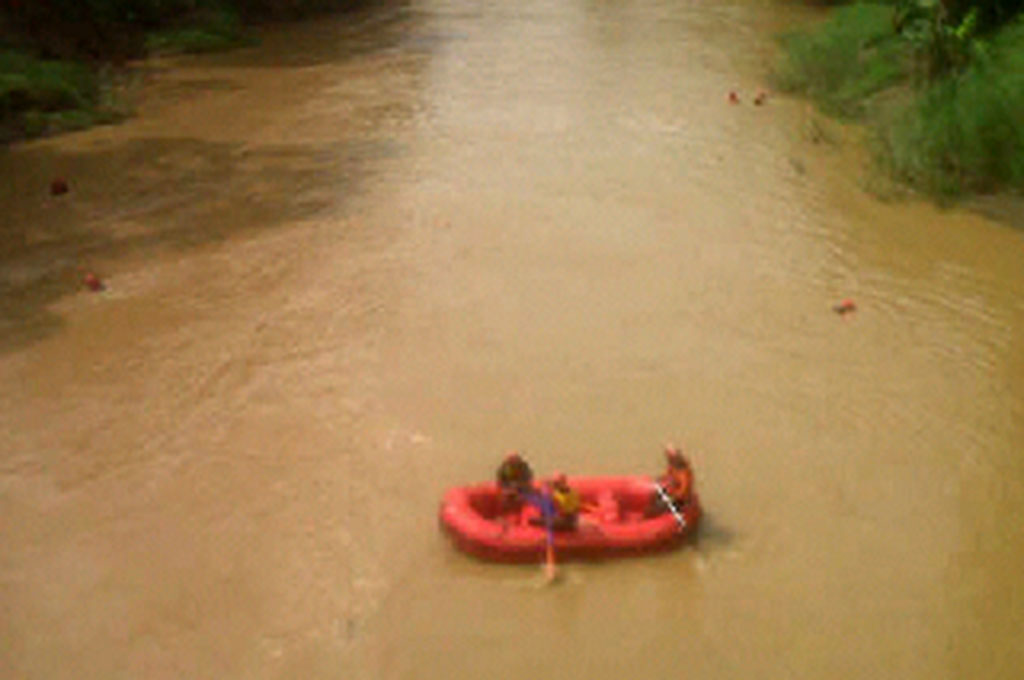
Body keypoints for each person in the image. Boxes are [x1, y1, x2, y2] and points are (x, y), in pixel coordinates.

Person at [648, 443, 694, 516]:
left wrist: (671, 495)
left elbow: (683, 492)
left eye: (671, 457)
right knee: (654, 498)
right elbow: (667, 476)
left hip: (680, 501)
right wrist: (658, 480)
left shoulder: (684, 473)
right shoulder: (672, 467)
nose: (669, 459)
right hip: (673, 493)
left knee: (659, 507)